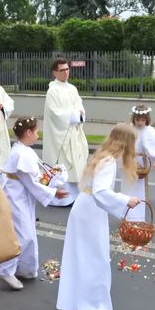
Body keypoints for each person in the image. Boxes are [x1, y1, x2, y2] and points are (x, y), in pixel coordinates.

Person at [56, 123, 140, 310]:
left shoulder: (103, 156)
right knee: (96, 261)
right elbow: (101, 192)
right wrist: (126, 200)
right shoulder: (109, 161)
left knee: (83, 258)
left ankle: (78, 302)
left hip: (85, 209)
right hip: (90, 213)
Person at [0, 116, 68, 290]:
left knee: (24, 232)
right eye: (36, 131)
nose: (38, 135)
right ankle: (5, 270)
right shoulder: (20, 153)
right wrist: (54, 192)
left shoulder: (24, 149)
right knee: (22, 235)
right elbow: (32, 183)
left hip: (21, 195)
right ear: (28, 133)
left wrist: (51, 175)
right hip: (15, 197)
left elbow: (35, 176)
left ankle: (23, 269)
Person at [42, 58, 88, 206]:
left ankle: (76, 196)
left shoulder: (72, 88)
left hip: (73, 132)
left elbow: (79, 105)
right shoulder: (52, 90)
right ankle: (62, 199)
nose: (66, 72)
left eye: (67, 69)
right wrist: (73, 115)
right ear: (55, 72)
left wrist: (79, 113)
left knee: (77, 164)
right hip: (60, 135)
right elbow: (55, 113)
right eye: (62, 70)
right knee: (63, 164)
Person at [120, 104, 155, 222]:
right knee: (127, 187)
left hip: (141, 165)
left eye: (143, 120)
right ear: (133, 118)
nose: (140, 122)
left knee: (138, 189)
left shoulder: (150, 131)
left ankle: (137, 217)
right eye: (137, 119)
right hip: (129, 161)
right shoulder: (129, 129)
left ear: (147, 119)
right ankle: (126, 215)